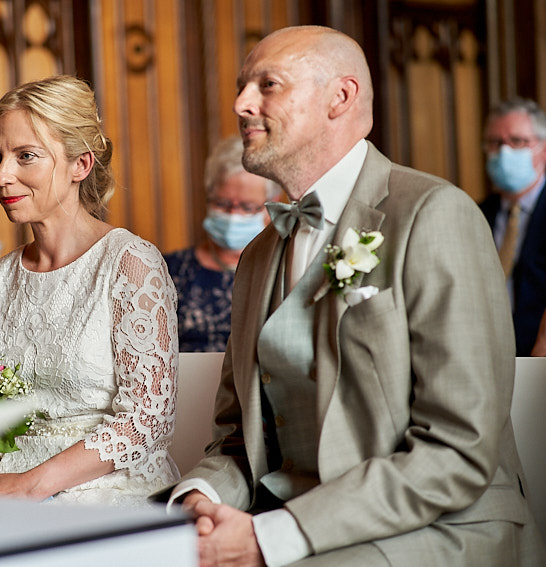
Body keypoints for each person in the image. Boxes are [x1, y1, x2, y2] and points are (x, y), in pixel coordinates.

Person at [159, 25, 545, 566]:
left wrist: (274, 538)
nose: (241, 104)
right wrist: (202, 500)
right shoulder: (258, 257)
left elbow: (457, 451)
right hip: (289, 520)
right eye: (244, 87)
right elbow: (236, 439)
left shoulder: (433, 214)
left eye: (267, 85)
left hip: (439, 528)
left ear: (340, 97)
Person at [0, 75, 180, 506]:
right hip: (7, 491)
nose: (2, 176)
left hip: (109, 490)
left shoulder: (129, 263)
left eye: (26, 157)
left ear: (81, 165)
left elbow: (148, 420)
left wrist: (34, 485)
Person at [164, 136, 282, 352]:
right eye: (223, 203)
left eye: (247, 207)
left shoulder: (282, 269)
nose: (234, 215)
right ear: (209, 196)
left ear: (270, 207)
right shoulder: (169, 271)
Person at [478, 97, 546, 356]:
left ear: (543, 149)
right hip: (488, 354)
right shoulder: (477, 213)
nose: (504, 152)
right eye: (495, 143)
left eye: (517, 141)